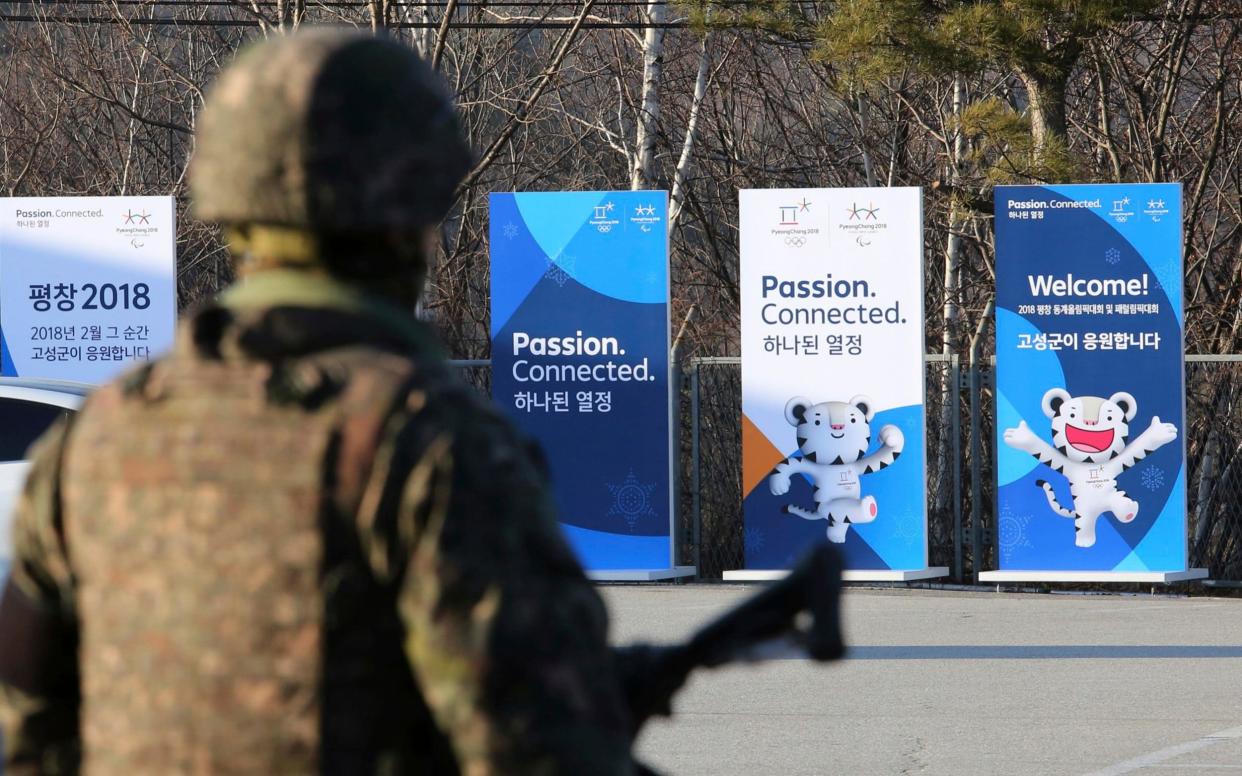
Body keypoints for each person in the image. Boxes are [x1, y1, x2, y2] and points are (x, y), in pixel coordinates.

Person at [0, 28, 640, 775]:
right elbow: (539, 750)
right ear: (413, 206)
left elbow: (27, 726)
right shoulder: (424, 435)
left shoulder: (98, 434)